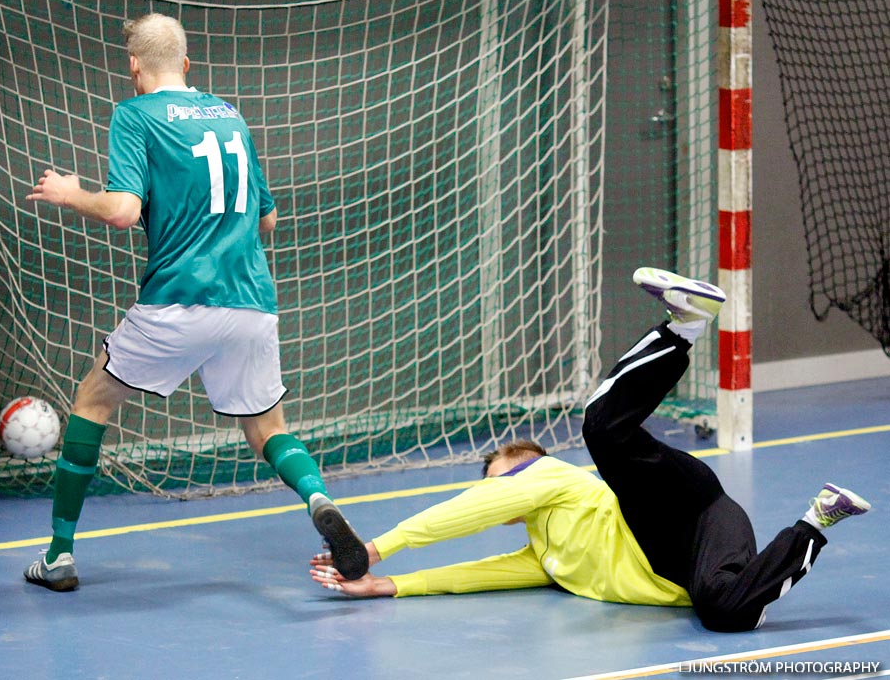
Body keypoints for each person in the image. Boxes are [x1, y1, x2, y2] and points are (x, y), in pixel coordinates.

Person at [310, 267, 871, 632]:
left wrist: (378, 548)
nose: (509, 485)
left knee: (603, 432)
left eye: (515, 473)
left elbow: (465, 512)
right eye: (500, 484)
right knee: (724, 611)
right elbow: (478, 572)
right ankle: (817, 519)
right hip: (688, 564)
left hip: (674, 506)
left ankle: (684, 328)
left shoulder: (561, 480)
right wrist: (388, 586)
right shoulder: (544, 558)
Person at [23, 13, 368, 591]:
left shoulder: (135, 115)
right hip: (250, 301)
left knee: (93, 399)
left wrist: (70, 193)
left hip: (178, 300)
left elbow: (125, 210)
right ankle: (317, 500)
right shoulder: (229, 115)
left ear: (134, 66)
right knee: (266, 429)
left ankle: (58, 556)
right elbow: (268, 219)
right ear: (186, 64)